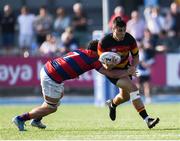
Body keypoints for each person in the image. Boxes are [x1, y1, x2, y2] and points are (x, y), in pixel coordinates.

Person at [12, 40, 136, 131]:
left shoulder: (81, 51)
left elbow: (70, 59)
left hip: (49, 69)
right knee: (51, 107)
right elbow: (111, 74)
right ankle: (21, 119)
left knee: (57, 97)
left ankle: (37, 119)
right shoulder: (93, 58)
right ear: (97, 51)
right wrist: (127, 72)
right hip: (51, 77)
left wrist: (74, 71)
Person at [97, 16, 159, 129]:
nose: (122, 33)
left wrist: (133, 67)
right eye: (120, 31)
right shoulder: (104, 42)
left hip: (125, 69)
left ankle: (113, 104)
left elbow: (136, 56)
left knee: (124, 96)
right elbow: (102, 64)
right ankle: (147, 119)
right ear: (113, 29)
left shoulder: (129, 39)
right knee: (133, 89)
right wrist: (109, 65)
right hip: (112, 72)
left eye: (124, 30)